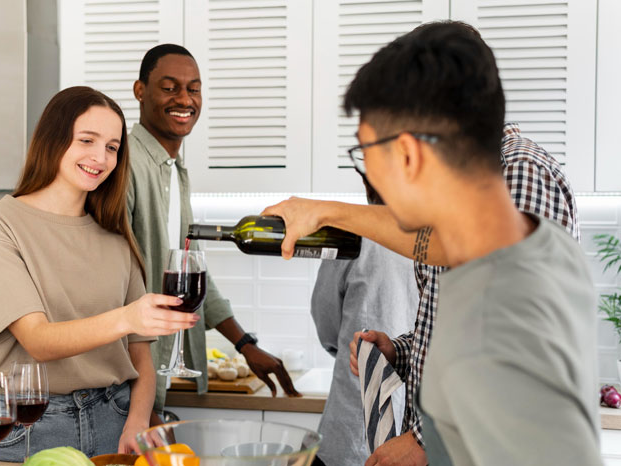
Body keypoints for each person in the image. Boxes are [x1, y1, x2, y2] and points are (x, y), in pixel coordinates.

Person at [265, 21, 602, 465]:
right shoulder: (486, 239)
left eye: (365, 153)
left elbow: (498, 353)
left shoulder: (522, 179)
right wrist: (403, 352)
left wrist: (423, 440)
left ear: (407, 153)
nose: (370, 175)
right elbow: (445, 253)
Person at [0, 86, 200, 461]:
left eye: (112, 147)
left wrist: (138, 420)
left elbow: (141, 359)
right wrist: (127, 318)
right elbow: (38, 340)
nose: (100, 157)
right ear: (53, 140)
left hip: (116, 421)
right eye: (86, 140)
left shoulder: (117, 239)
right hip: (31, 424)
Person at [127, 44, 299, 421]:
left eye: (194, 88)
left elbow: (189, 277)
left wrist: (244, 343)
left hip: (152, 384)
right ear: (140, 91)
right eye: (169, 88)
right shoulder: (125, 163)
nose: (184, 99)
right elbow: (110, 290)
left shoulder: (174, 171)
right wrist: (136, 410)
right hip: (124, 390)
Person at [310, 182, 418, 466]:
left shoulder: (351, 234)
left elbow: (327, 324)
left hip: (351, 432)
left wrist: (354, 354)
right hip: (419, 441)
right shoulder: (445, 236)